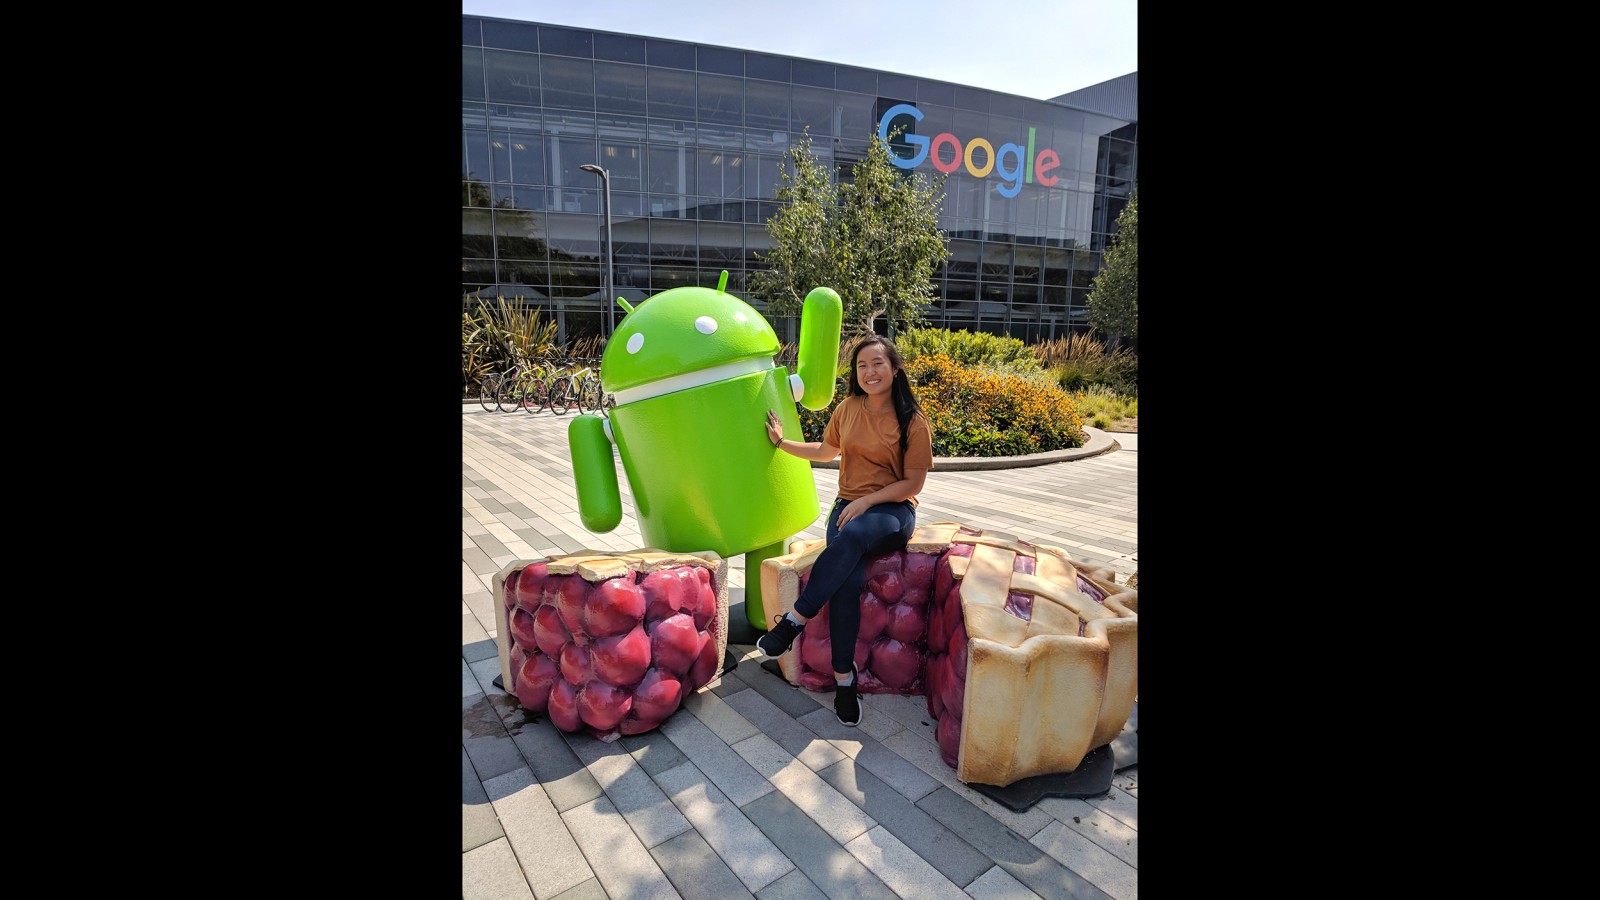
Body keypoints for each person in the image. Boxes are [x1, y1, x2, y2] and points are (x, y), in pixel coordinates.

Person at [756, 334, 934, 726]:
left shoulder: (912, 421)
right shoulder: (848, 408)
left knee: (852, 536)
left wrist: (866, 502)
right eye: (862, 366)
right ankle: (844, 679)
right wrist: (782, 442)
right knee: (845, 586)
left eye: (877, 363)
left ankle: (794, 621)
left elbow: (913, 483)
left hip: (892, 510)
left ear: (895, 369)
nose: (869, 372)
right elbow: (825, 451)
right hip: (847, 508)